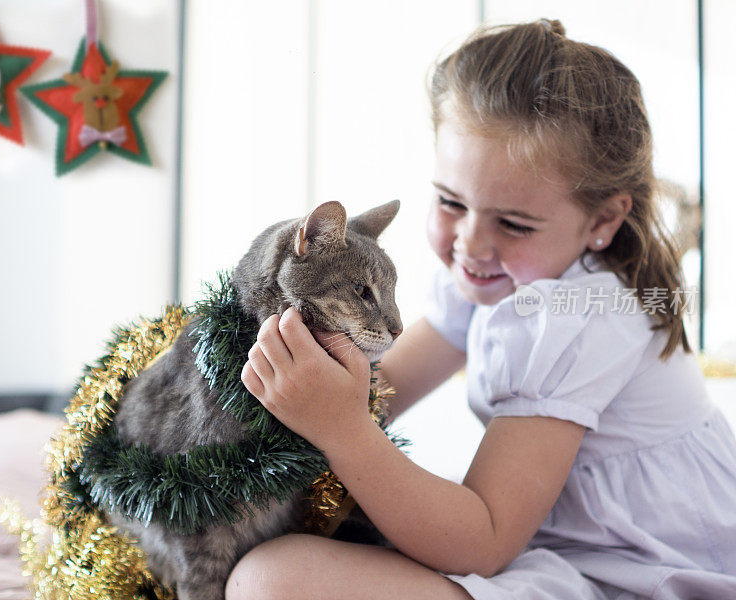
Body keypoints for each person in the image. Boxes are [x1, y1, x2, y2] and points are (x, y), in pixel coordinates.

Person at [226, 19, 736, 600]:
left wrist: (341, 428)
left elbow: (485, 539)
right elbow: (381, 386)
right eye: (450, 201)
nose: (470, 243)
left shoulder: (578, 315)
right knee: (281, 561)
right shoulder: (491, 276)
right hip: (551, 550)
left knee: (271, 581)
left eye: (514, 223)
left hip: (642, 574)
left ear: (601, 222)